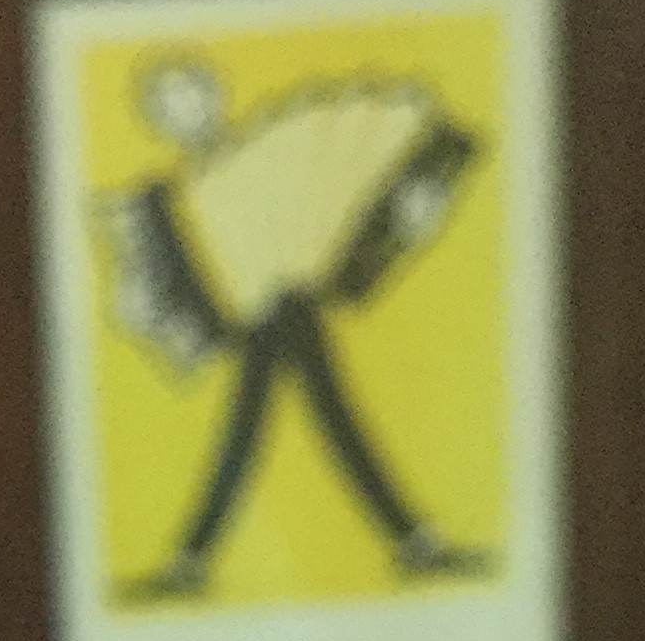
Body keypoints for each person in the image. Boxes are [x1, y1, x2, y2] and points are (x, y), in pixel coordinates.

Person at [94, 55, 491, 596]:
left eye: (192, 95)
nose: (187, 112)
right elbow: (148, 288)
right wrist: (140, 297)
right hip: (270, 312)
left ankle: (193, 561)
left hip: (289, 303)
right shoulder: (175, 200)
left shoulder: (273, 139)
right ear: (159, 124)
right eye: (169, 107)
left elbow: (350, 191)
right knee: (309, 418)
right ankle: (413, 542)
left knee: (273, 422)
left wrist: (406, 203)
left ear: (216, 94)